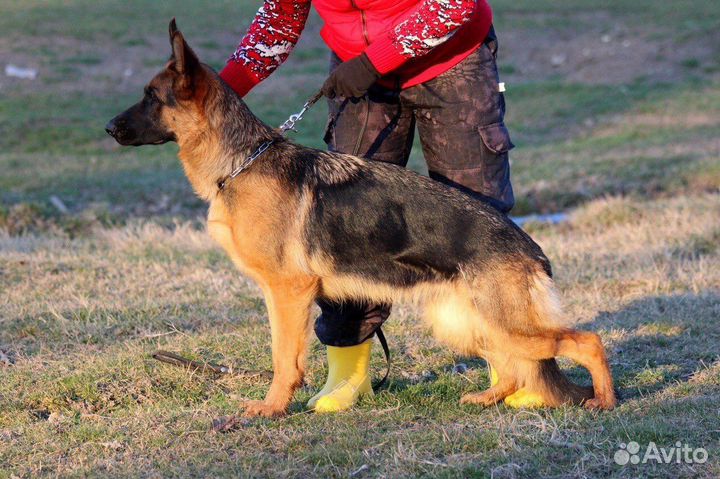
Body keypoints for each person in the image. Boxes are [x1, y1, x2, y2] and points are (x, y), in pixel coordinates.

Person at [221, 0, 543, 412]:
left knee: (474, 208)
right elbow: (280, 18)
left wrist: (376, 61)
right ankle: (348, 371)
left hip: (451, 59)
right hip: (359, 71)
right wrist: (217, 92)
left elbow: (454, 4)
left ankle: (518, 365)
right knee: (339, 224)